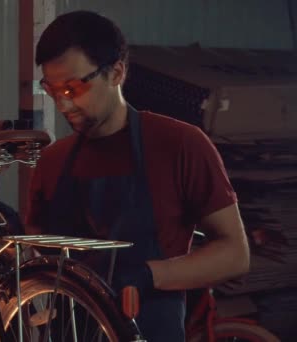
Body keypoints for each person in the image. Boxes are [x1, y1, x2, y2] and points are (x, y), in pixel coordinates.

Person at [26, 10, 250, 341]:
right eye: (52, 89)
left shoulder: (179, 145)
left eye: (73, 88)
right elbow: (38, 247)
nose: (62, 104)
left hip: (149, 328)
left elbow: (235, 254)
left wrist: (148, 275)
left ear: (116, 72)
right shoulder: (53, 161)